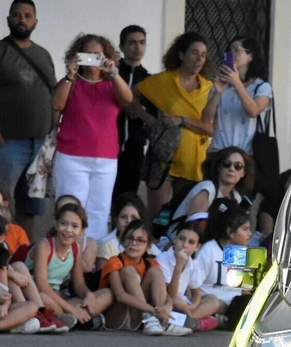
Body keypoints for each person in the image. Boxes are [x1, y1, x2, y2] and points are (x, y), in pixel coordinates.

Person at [0, 0, 56, 241]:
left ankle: (22, 255)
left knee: (30, 209)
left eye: (28, 15)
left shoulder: (43, 55)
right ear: (9, 19)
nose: (22, 20)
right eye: (17, 15)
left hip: (40, 145)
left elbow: (53, 96)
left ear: (35, 22)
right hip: (7, 145)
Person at [53, 33, 133, 243]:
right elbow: (56, 105)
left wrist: (113, 72)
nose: (91, 58)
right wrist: (70, 74)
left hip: (106, 160)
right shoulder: (71, 82)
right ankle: (67, 260)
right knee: (71, 211)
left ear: (106, 56)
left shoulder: (111, 85)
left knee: (99, 212)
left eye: (97, 54)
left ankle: (91, 263)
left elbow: (127, 98)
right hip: (72, 158)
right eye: (86, 53)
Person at [137, 32, 217, 223]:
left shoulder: (209, 88)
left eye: (203, 54)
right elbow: (129, 96)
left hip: (193, 161)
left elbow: (209, 128)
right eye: (194, 53)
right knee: (157, 219)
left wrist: (182, 120)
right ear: (181, 55)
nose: (199, 59)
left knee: (182, 220)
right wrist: (148, 119)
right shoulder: (163, 81)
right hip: (163, 159)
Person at [29, 200, 108, 331]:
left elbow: (78, 284)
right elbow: (41, 285)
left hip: (58, 297)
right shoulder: (45, 245)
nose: (68, 230)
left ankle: (71, 318)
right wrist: (71, 309)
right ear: (56, 224)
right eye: (64, 224)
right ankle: (76, 318)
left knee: (107, 294)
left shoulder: (75, 248)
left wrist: (88, 294)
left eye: (74, 226)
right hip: (37, 296)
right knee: (45, 299)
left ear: (82, 230)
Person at [100, 219, 187, 335]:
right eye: (130, 238)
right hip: (116, 316)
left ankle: (163, 322)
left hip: (138, 316)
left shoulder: (150, 263)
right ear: (123, 240)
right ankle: (153, 318)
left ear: (148, 245)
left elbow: (167, 295)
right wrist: (152, 310)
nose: (134, 243)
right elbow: (120, 296)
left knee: (156, 271)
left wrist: (167, 307)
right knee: (129, 271)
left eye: (140, 240)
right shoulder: (115, 261)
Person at [210, 37, 273, 155]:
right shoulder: (222, 84)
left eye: (236, 50)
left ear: (251, 56)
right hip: (218, 150)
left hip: (245, 153)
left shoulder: (261, 87)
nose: (232, 54)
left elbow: (253, 111)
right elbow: (206, 117)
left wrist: (237, 83)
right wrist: (217, 93)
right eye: (230, 51)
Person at [169, 147, 252, 236]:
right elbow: (193, 227)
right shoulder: (207, 188)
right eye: (226, 164)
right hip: (179, 241)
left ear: (243, 173)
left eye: (238, 166)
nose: (231, 169)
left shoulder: (236, 197)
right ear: (219, 167)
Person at [156, 221, 223, 330]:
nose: (185, 245)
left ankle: (189, 319)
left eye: (191, 242)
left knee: (213, 301)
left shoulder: (192, 263)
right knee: (177, 301)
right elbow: (170, 294)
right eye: (181, 239)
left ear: (197, 247)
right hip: (167, 302)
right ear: (175, 239)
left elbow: (196, 293)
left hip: (184, 305)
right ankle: (196, 322)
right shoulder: (163, 259)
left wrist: (192, 307)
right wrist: (178, 266)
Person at [115, 25, 153, 200]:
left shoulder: (150, 80)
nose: (138, 47)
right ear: (122, 47)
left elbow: (154, 117)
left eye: (142, 42)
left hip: (135, 147)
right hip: (109, 145)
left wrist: (142, 112)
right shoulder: (112, 74)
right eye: (132, 42)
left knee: (128, 198)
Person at [194, 211, 251, 307]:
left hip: (234, 306)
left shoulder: (239, 252)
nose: (250, 233)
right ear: (230, 232)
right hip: (209, 304)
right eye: (245, 229)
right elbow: (194, 285)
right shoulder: (209, 250)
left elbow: (243, 290)